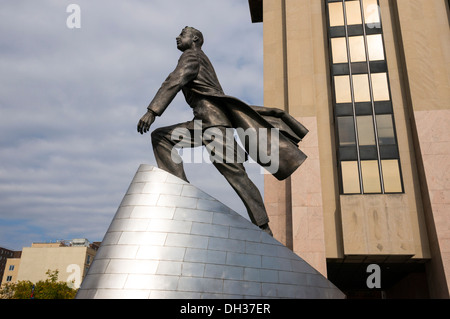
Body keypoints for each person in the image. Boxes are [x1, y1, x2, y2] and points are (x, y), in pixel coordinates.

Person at [138, 27, 309, 236]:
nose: (177, 37)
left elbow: (175, 80)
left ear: (194, 39)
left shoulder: (191, 56)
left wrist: (152, 111)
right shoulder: (199, 57)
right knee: (161, 137)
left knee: (236, 174)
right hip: (203, 122)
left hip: (213, 124)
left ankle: (263, 226)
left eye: (182, 34)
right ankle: (182, 193)